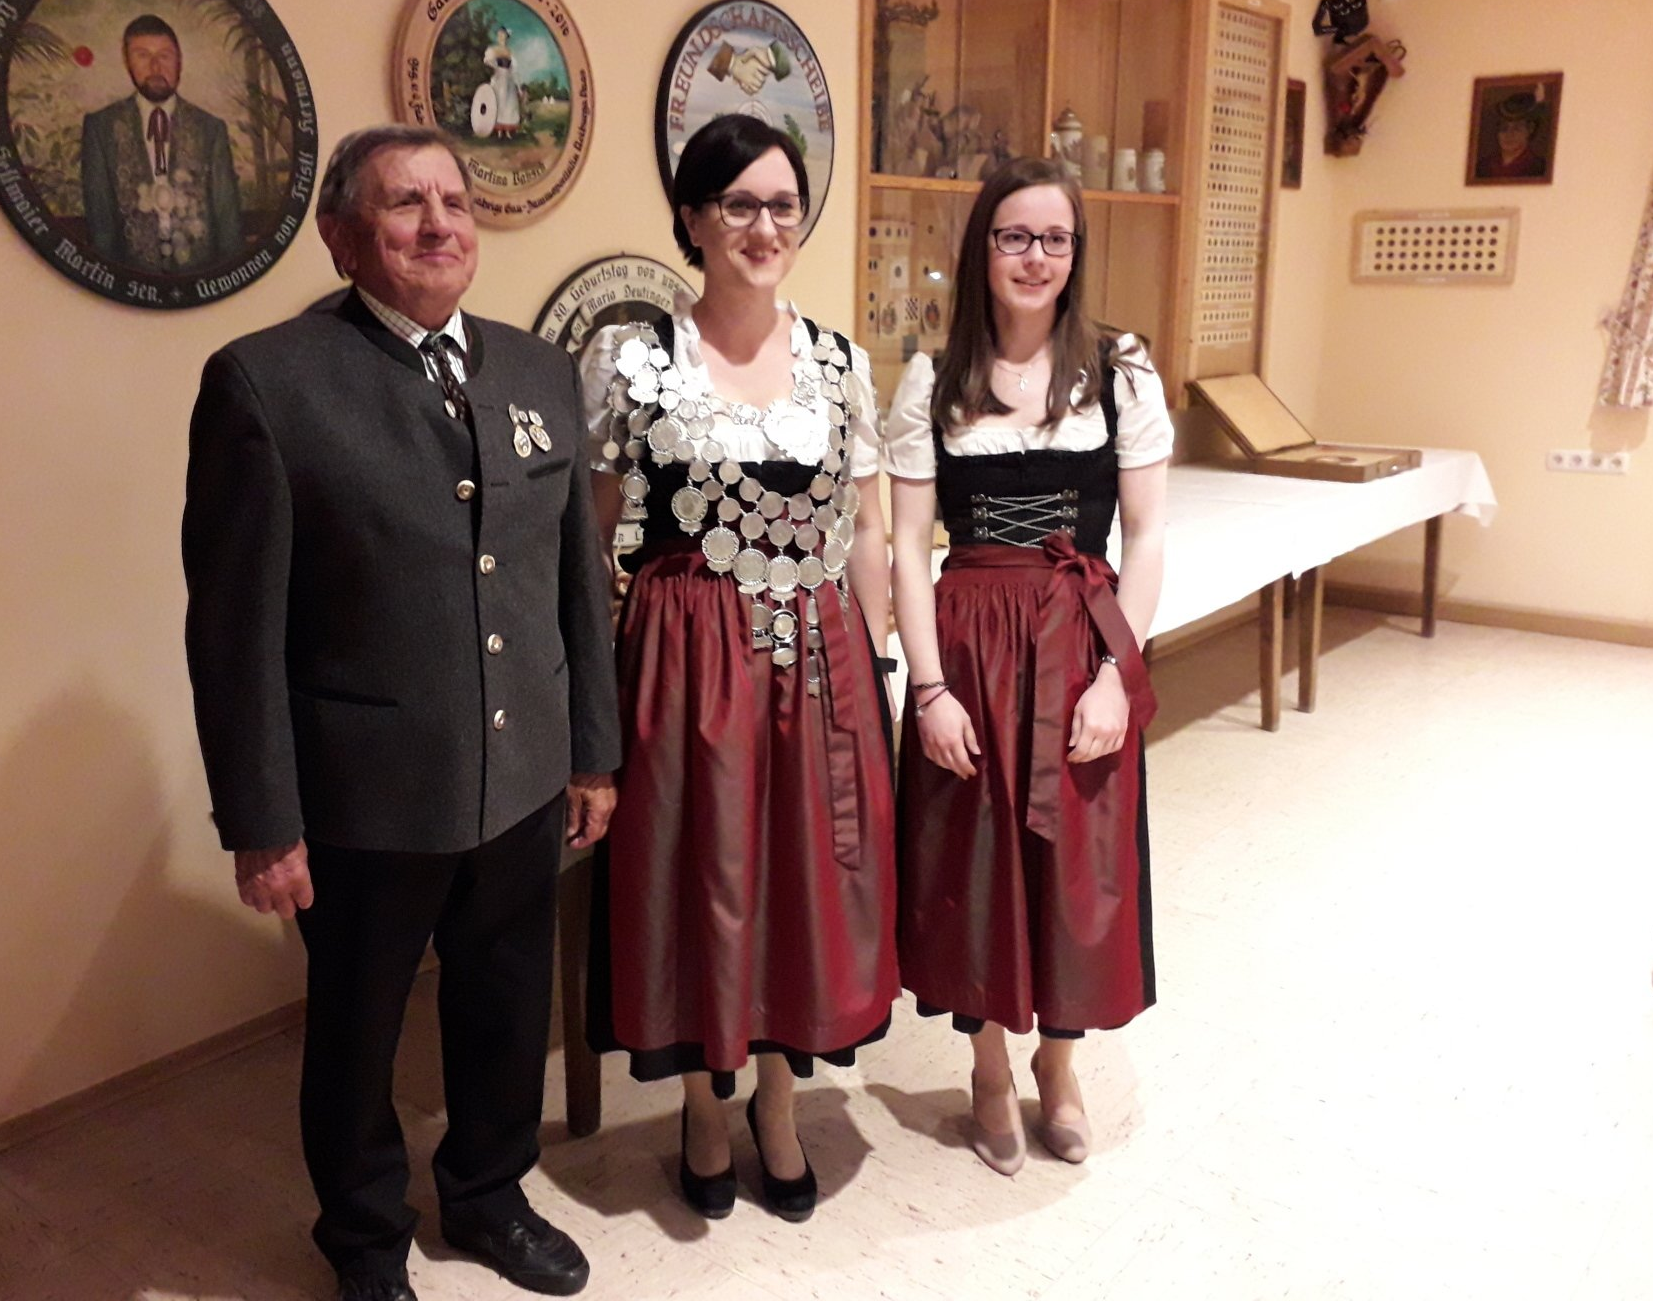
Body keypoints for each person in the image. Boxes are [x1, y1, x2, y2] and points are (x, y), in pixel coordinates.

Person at [182, 124, 620, 1301]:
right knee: (358, 1029)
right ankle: (366, 1239)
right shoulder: (267, 382)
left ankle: (489, 1192)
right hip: (365, 794)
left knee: (505, 1002)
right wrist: (262, 822)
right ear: (341, 236)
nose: (438, 224)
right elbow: (233, 632)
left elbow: (574, 582)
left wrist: (592, 752)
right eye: (404, 204)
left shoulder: (537, 370)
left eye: (455, 201)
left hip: (523, 773)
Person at [579, 113, 897, 1223]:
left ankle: (777, 1095)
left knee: (800, 880)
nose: (764, 227)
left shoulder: (841, 364)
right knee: (702, 876)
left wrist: (878, 663)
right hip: (686, 663)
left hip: (817, 659)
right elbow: (596, 532)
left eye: (782, 205)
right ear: (693, 219)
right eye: (739, 204)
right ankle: (702, 1102)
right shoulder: (636, 364)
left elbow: (868, 528)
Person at [886, 157, 1170, 1176]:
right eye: (1014, 235)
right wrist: (927, 688)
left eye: (1055, 238)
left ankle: (1058, 1059)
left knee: (1074, 862)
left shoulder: (1119, 372)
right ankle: (988, 1067)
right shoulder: (932, 379)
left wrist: (1115, 676)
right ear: (982, 248)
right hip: (966, 647)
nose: (1035, 256)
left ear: (1075, 252)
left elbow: (1146, 536)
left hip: (1076, 643)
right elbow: (906, 546)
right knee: (971, 863)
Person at [80, 13, 241, 271]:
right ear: (127, 62)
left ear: (180, 62)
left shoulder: (211, 129)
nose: (155, 67)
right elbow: (101, 228)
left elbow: (228, 223)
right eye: (143, 55)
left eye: (165, 56)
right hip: (131, 282)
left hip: (202, 280)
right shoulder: (100, 128)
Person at [1478, 91, 1547, 180]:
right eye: (1504, 128)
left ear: (1530, 129)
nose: (1509, 134)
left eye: (1517, 128)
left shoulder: (1538, 168)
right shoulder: (1483, 167)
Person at [483, 28, 523, 140]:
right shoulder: (494, 49)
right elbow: (487, 61)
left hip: (508, 79)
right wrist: (495, 65)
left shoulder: (510, 52)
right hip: (498, 77)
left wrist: (519, 87)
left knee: (509, 104)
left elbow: (514, 70)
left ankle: (507, 131)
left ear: (507, 38)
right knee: (498, 102)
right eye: (500, 35)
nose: (502, 38)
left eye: (504, 36)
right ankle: (499, 131)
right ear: (497, 37)